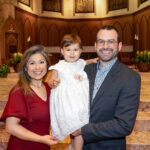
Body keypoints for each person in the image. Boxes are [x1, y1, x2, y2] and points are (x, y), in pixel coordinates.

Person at [71, 25, 141, 150]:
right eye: (101, 42)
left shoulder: (130, 77)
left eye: (110, 42)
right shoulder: (84, 71)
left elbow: (124, 125)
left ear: (119, 46)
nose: (105, 46)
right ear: (95, 45)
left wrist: (83, 130)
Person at [0, 45, 58, 150]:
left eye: (41, 62)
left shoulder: (50, 89)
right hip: (22, 147)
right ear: (26, 68)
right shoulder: (19, 91)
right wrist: (41, 139)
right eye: (32, 63)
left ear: (47, 65)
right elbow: (11, 127)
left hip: (43, 146)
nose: (37, 67)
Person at [48, 34, 90, 150]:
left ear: (81, 50)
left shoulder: (81, 62)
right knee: (75, 127)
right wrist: (53, 82)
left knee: (79, 127)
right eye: (68, 50)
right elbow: (50, 80)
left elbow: (88, 62)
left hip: (80, 102)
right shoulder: (59, 66)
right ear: (62, 51)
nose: (72, 53)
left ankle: (73, 147)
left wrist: (95, 60)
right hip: (67, 104)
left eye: (75, 50)